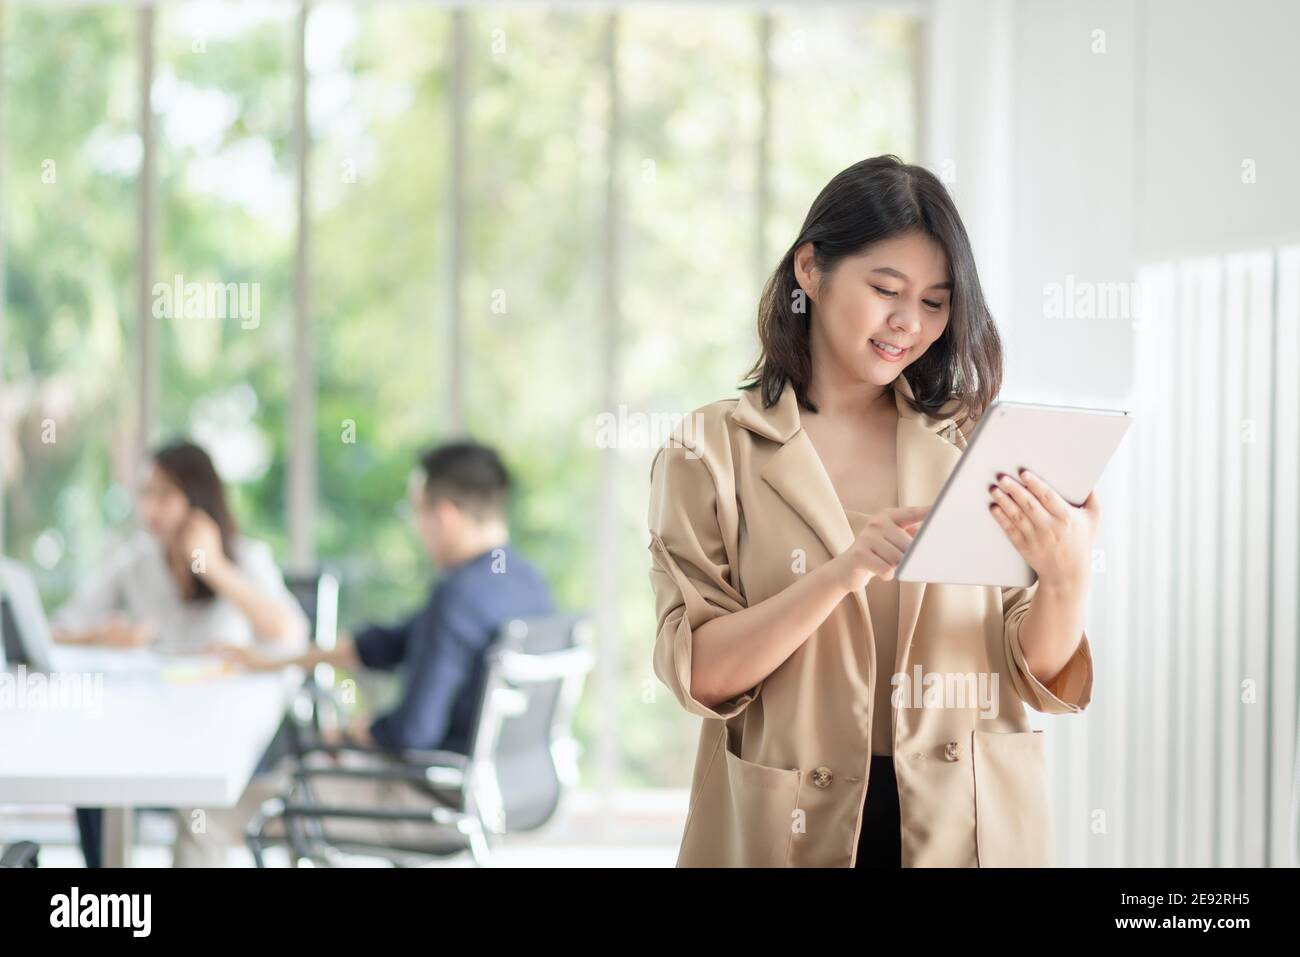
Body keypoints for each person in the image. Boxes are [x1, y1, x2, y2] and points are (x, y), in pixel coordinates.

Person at [647, 155, 1099, 868]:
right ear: (810, 271)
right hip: (788, 822)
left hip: (964, 823)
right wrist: (842, 571)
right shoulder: (710, 451)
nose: (908, 323)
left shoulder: (976, 442)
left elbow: (1033, 675)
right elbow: (701, 672)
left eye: (935, 301)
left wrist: (1067, 577)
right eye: (886, 289)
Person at [214, 440, 555, 860]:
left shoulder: (456, 596)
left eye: (416, 512)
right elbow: (384, 645)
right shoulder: (526, 584)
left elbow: (413, 733)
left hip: (430, 803)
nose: (416, 526)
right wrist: (276, 660)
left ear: (444, 515)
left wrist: (362, 731)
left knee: (215, 814)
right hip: (499, 792)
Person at [51, 439, 310, 867]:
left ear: (197, 498)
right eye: (145, 493)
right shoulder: (135, 560)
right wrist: (99, 636)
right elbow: (59, 627)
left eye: (165, 494)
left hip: (224, 737)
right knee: (92, 774)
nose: (151, 508)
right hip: (151, 726)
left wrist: (214, 568)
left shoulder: (244, 558)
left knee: (196, 814)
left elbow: (289, 635)